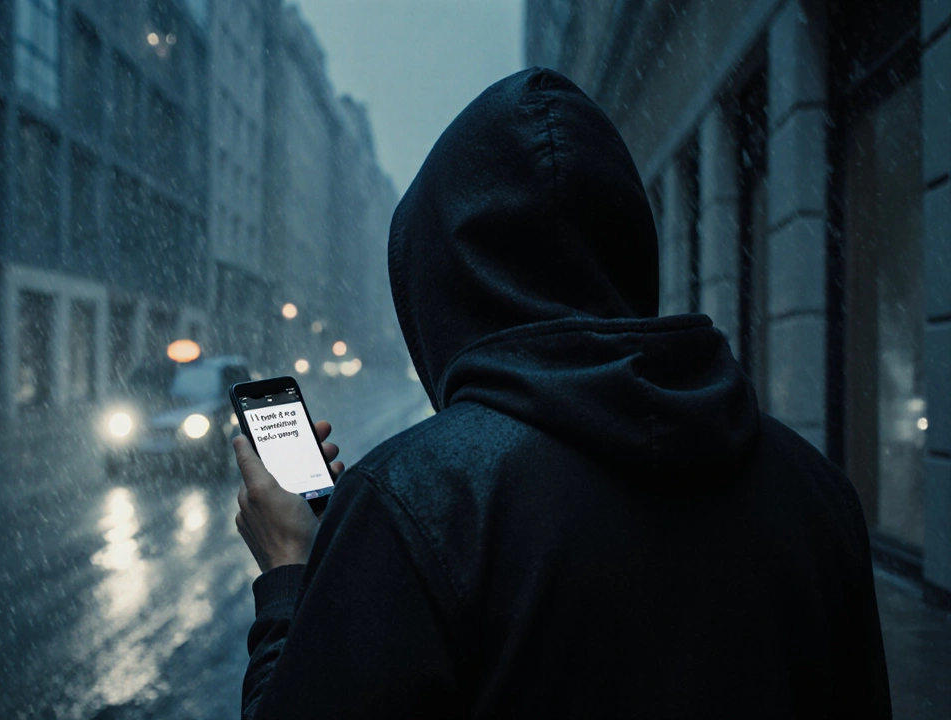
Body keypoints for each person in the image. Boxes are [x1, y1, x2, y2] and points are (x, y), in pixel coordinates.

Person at [231, 68, 891, 719]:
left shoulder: (415, 502)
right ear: (630, 249)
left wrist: (289, 572)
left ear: (440, 288)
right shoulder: (819, 497)